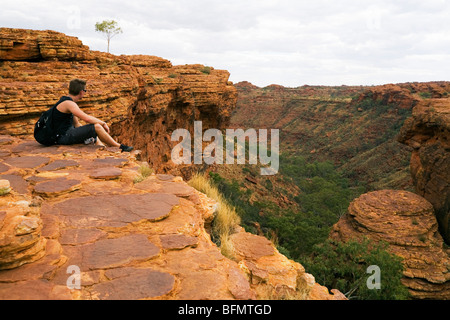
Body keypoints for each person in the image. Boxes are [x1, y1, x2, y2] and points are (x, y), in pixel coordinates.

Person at [53, 79, 133, 152]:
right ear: (81, 92)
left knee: (92, 134)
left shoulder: (65, 100)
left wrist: (86, 133)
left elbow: (77, 124)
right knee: (96, 127)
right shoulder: (69, 104)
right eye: (85, 90)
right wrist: (103, 123)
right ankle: (120, 147)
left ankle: (103, 150)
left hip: (61, 135)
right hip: (61, 138)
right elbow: (87, 119)